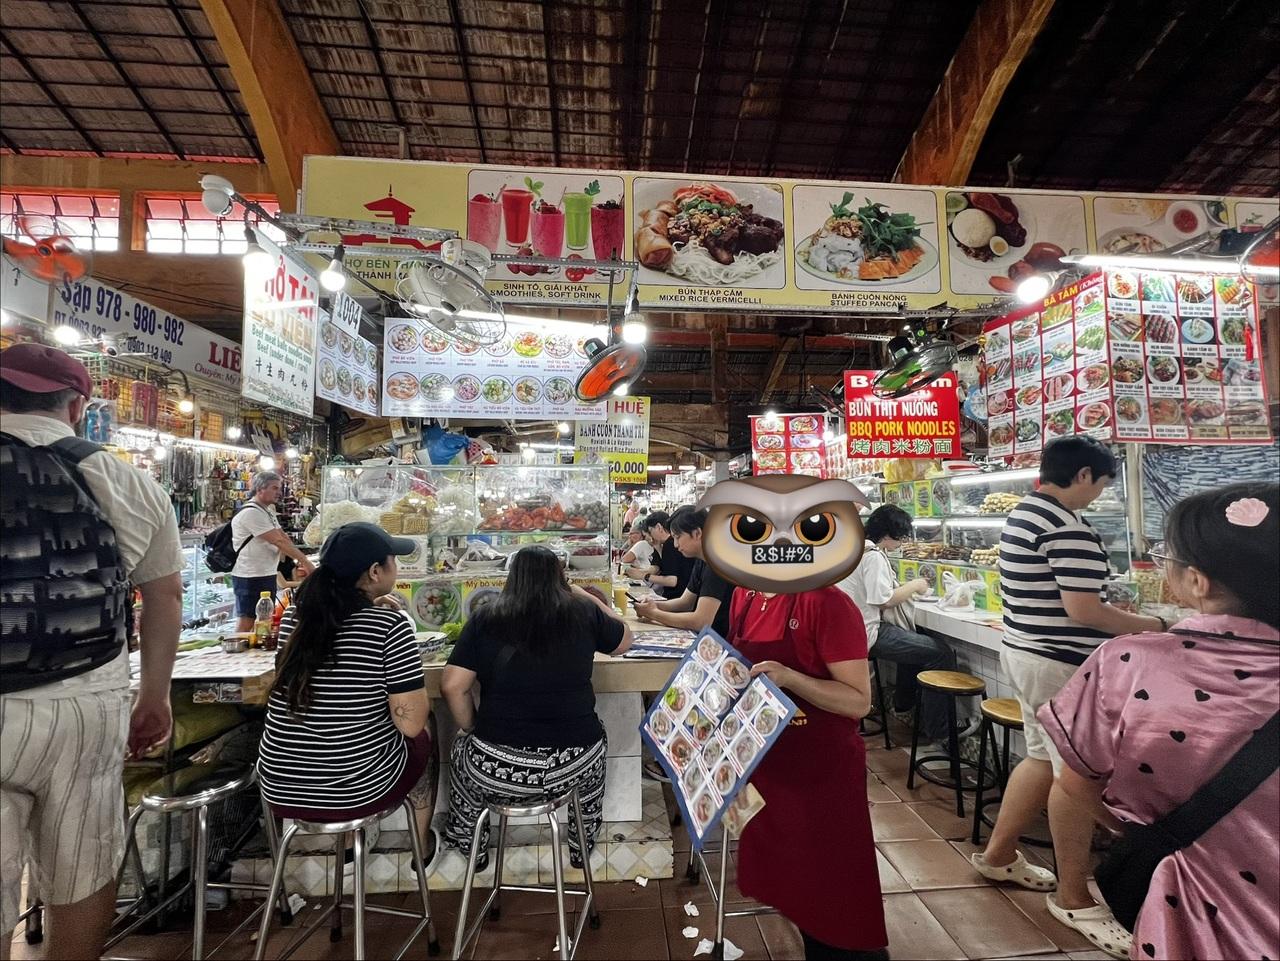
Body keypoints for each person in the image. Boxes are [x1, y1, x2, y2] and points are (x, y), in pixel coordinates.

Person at [1040, 482, 1279, 961]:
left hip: (1184, 912)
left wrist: (1146, 833)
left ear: (1198, 581)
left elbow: (1077, 783)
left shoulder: (1130, 662)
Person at [0, 343, 183, 960]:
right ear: (78, 407)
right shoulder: (125, 480)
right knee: (82, 862)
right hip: (86, 699)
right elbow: (163, 599)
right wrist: (154, 697)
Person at [972, 436, 1164, 957]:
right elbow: (1084, 611)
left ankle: (997, 856)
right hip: (1057, 663)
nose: (1097, 495)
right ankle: (1074, 898)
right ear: (1083, 475)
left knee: (1041, 757)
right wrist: (1154, 625)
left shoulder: (1024, 512)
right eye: (1100, 485)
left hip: (1025, 652)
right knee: (1074, 775)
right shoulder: (1067, 526)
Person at [257, 523, 440, 863]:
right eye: (392, 561)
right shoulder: (390, 626)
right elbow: (411, 724)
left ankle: (347, 846)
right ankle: (420, 844)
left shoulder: (295, 617)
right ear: (375, 572)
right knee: (426, 732)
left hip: (280, 789)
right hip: (355, 795)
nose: (396, 567)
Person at [440, 546, 633, 869]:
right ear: (560, 578)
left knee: (462, 752)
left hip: (497, 767)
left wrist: (472, 727)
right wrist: (586, 596)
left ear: (512, 578)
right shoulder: (582, 612)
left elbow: (452, 686)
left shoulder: (485, 616)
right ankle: (581, 847)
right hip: (574, 763)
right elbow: (624, 641)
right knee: (596, 745)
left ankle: (473, 848)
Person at [728, 584, 888, 959]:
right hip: (765, 768)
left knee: (833, 895)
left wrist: (791, 678)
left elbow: (859, 701)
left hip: (820, 773)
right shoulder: (744, 594)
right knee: (787, 879)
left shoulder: (828, 603)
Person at [837, 504, 957, 742]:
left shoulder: (853, 548)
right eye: (901, 537)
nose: (902, 543)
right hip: (866, 633)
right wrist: (915, 585)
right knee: (940, 653)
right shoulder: (872, 556)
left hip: (849, 632)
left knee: (914, 641)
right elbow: (883, 601)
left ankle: (904, 705)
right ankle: (940, 731)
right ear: (888, 535)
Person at [634, 505, 736, 637]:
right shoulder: (702, 559)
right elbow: (685, 602)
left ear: (697, 533)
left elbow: (701, 621)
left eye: (678, 537)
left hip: (718, 641)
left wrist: (654, 613)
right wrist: (653, 605)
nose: (676, 545)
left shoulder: (717, 563)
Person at [232, 471, 314, 632]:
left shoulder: (266, 511)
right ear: (260, 489)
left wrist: (297, 560)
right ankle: (236, 646)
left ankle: (254, 647)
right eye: (274, 488)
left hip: (265, 573)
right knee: (247, 619)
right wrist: (305, 562)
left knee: (264, 619)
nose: (279, 492)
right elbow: (278, 541)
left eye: (279, 488)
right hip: (250, 575)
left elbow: (283, 537)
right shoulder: (251, 513)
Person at [641, 510, 696, 600]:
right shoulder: (663, 545)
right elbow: (658, 567)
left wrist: (645, 576)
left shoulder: (669, 544)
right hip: (681, 596)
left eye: (650, 531)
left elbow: (672, 581)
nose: (676, 544)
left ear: (659, 527)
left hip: (676, 597)